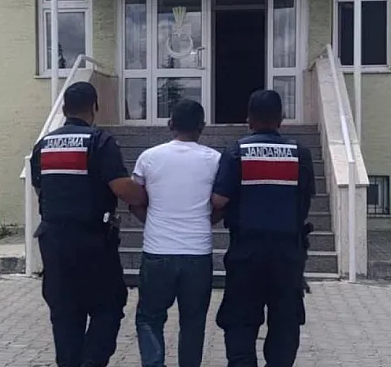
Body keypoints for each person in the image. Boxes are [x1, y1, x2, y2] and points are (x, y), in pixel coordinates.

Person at [30, 81, 147, 367]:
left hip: (53, 241)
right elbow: (121, 187)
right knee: (109, 305)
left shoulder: (43, 145)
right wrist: (146, 195)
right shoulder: (99, 141)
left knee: (65, 311)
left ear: (64, 109)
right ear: (95, 107)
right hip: (92, 241)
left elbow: (39, 188)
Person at [211, 90, 315, 367]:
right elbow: (305, 201)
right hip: (288, 253)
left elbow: (219, 200)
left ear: (249, 119)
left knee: (240, 319)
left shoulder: (237, 151)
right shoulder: (300, 154)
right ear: (281, 119)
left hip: (247, 252)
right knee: (285, 321)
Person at [129, 99, 221, 367]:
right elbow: (222, 203)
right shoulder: (216, 160)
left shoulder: (149, 157)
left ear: (170, 124)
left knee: (149, 317)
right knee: (193, 322)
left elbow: (134, 200)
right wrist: (205, 222)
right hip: (198, 253)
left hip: (157, 251)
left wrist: (153, 222)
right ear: (202, 126)